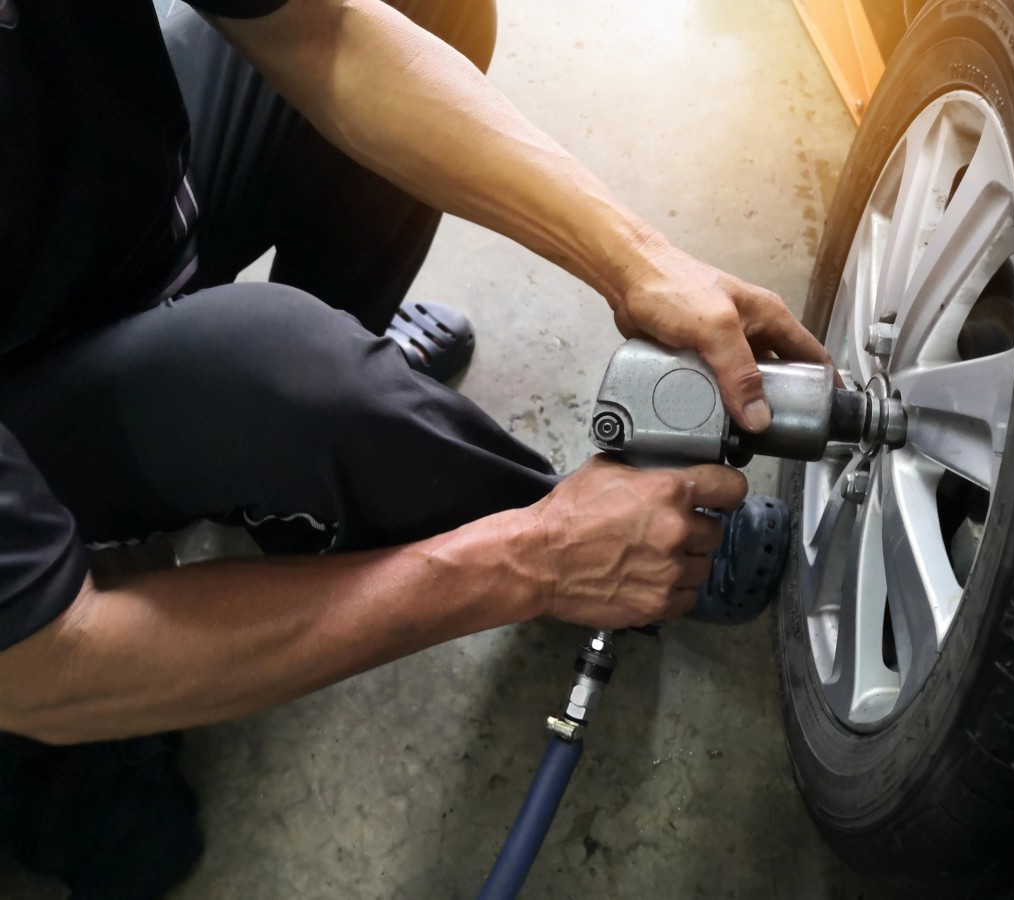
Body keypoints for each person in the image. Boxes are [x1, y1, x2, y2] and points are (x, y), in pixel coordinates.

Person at [0, 0, 830, 894]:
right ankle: (537, 521)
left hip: (104, 206)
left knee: (427, 10)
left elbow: (318, 32)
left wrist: (637, 258)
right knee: (275, 368)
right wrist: (535, 561)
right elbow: (53, 665)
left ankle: (307, 456)